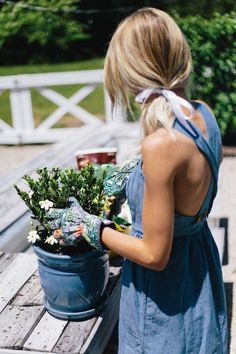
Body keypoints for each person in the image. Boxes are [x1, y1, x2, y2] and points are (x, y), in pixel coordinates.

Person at [47, 7, 228, 353]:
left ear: (133, 71)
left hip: (165, 296)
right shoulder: (204, 115)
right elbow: (186, 193)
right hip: (200, 271)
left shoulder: (161, 144)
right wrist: (131, 175)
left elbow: (155, 253)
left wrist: (90, 228)